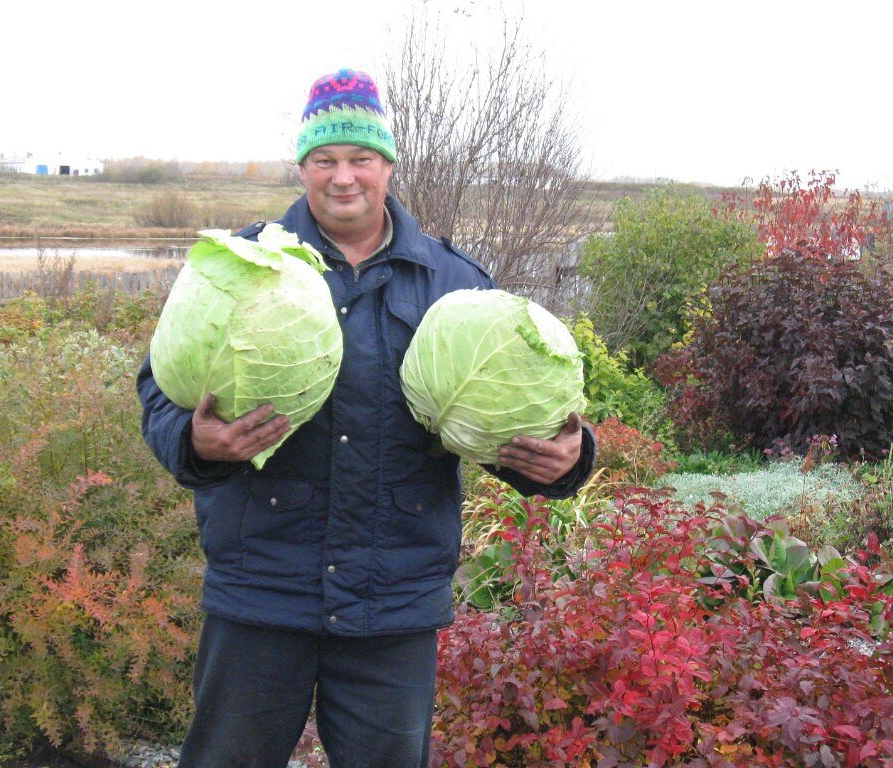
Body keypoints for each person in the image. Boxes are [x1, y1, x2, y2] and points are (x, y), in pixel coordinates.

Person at [138, 68, 596, 768]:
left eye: (361, 159)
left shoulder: (454, 283)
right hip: (263, 589)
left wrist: (570, 459)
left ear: (388, 165)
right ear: (303, 166)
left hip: (393, 602)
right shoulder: (241, 262)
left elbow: (509, 408)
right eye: (325, 160)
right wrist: (194, 442)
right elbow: (158, 388)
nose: (343, 177)